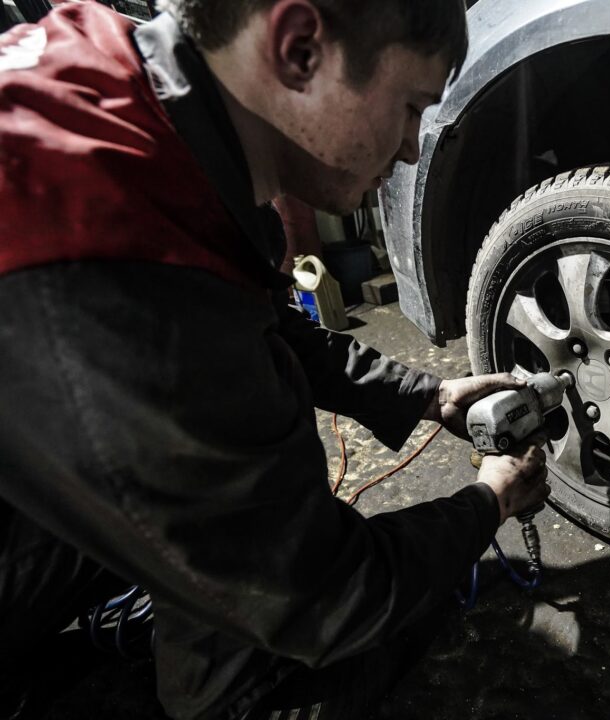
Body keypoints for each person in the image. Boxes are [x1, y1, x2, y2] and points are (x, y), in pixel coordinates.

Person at [0, 1, 550, 718]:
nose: (413, 148)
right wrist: (488, 502)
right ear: (298, 50)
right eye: (411, 106)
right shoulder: (118, 285)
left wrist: (426, 394)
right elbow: (325, 593)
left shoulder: (123, 79)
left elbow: (254, 320)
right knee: (318, 625)